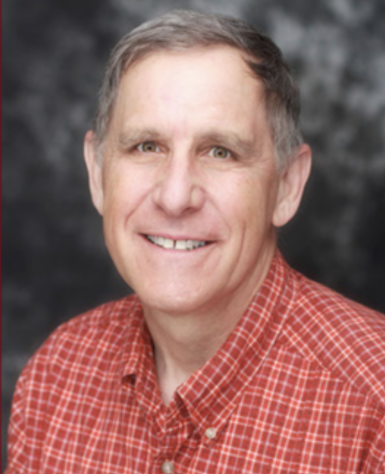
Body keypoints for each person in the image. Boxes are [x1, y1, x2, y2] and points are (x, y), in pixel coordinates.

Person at [6, 10, 385, 474]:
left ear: (287, 185)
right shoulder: (56, 374)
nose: (175, 195)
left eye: (220, 151)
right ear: (98, 172)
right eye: (147, 146)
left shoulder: (374, 403)